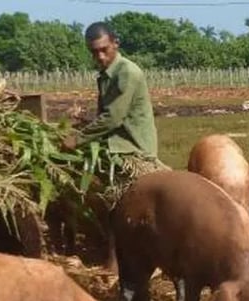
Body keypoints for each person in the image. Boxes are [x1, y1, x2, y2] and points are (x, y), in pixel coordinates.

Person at [60, 21, 168, 270]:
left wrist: (76, 139)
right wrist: (85, 123)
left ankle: (117, 261)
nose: (99, 56)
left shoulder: (127, 72)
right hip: (114, 142)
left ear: (115, 44)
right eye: (94, 52)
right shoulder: (106, 76)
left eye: (104, 49)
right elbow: (110, 116)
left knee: (115, 203)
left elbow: (114, 118)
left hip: (131, 149)